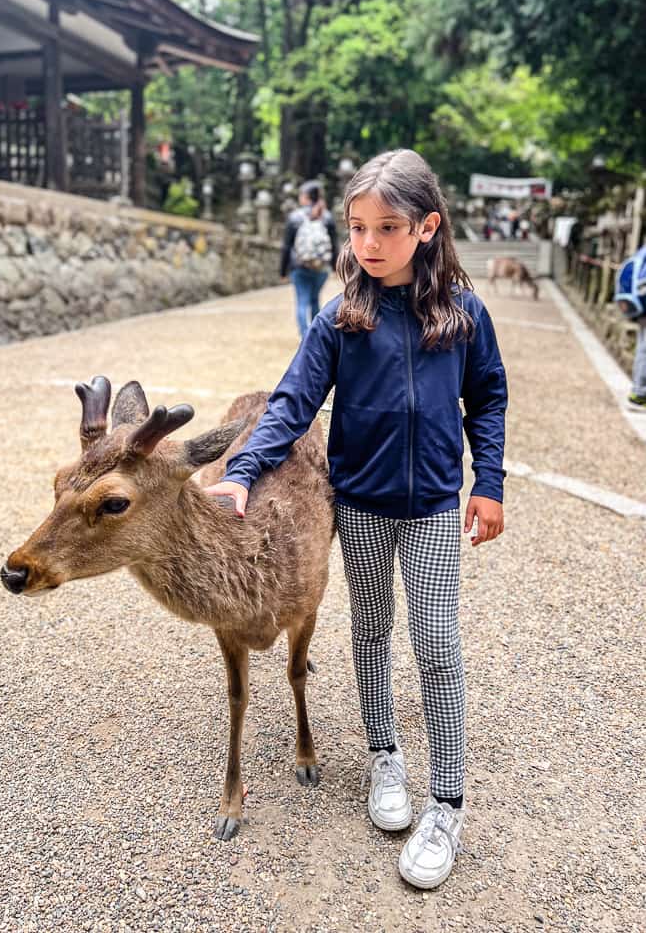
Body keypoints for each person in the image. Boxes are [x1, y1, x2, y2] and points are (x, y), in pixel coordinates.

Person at [205, 148, 508, 890]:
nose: (369, 243)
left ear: (427, 227)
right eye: (358, 227)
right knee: (370, 632)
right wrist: (241, 471)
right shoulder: (341, 318)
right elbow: (291, 404)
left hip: (433, 504)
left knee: (436, 643)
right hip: (362, 505)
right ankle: (385, 756)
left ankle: (448, 804)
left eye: (387, 228)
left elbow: (488, 398)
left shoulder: (464, 314)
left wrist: (490, 482)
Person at [281, 180, 339, 337]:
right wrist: (335, 267)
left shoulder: (295, 217)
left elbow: (286, 247)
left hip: (299, 266)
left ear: (305, 197)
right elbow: (334, 244)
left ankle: (304, 337)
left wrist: (283, 271)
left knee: (302, 301)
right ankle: (316, 336)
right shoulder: (327, 216)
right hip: (321, 267)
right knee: (314, 300)